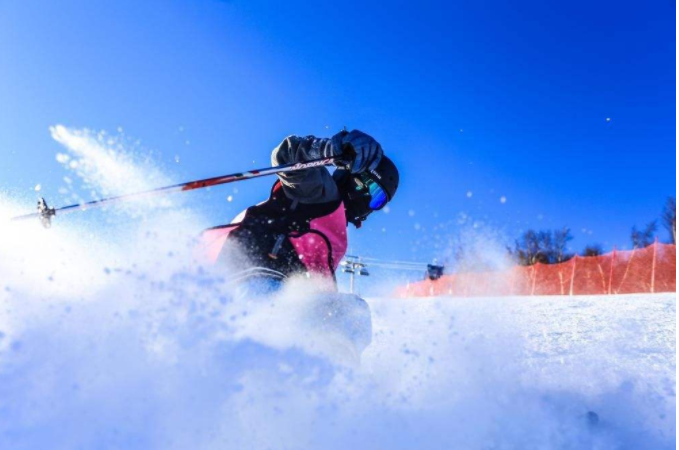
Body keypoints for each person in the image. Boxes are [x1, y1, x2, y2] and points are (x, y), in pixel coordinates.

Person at [200, 129, 399, 286]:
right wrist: (330, 149)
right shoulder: (321, 191)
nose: (368, 202)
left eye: (378, 200)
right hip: (255, 272)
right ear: (355, 177)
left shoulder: (336, 229)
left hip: (277, 289)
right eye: (371, 188)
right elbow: (285, 156)